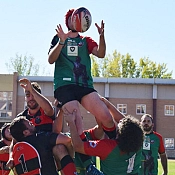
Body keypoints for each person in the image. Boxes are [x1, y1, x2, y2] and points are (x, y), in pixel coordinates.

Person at [48, 8, 117, 140]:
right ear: (68, 21)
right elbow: (51, 60)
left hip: (84, 85)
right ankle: (85, 158)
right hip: (64, 85)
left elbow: (101, 54)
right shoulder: (58, 37)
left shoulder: (86, 40)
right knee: (76, 121)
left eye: (77, 17)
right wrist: (62, 42)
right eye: (72, 17)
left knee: (106, 117)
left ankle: (116, 146)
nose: (75, 19)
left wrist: (101, 36)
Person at [7, 78, 73, 172]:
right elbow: (14, 143)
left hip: (50, 148)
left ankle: (69, 169)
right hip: (32, 153)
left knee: (60, 148)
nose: (31, 98)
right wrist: (11, 157)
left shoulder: (45, 111)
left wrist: (32, 90)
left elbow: (49, 108)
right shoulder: (21, 118)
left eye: (33, 94)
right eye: (28, 95)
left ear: (39, 96)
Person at [64, 109, 144, 175]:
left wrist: (71, 123)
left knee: (91, 168)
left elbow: (78, 146)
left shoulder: (108, 147)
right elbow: (129, 126)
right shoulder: (137, 143)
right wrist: (107, 105)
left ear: (120, 133)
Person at [9, 116, 77, 175]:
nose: (32, 123)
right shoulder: (39, 138)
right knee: (60, 148)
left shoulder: (17, 149)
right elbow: (67, 140)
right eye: (29, 124)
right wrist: (68, 160)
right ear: (26, 132)